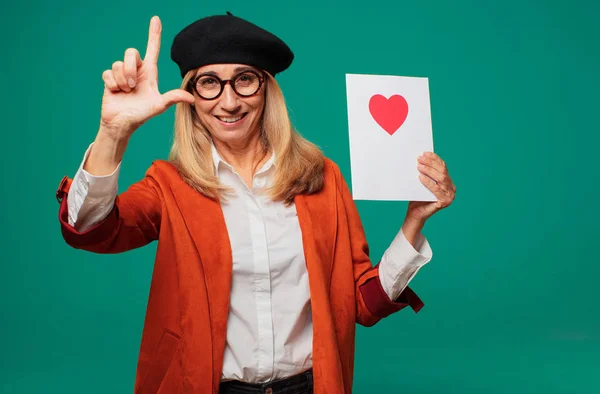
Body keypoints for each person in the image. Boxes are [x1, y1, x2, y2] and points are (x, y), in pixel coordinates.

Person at [55, 12, 456, 394]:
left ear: (266, 90)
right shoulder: (169, 184)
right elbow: (89, 230)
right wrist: (113, 133)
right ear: (190, 94)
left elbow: (361, 304)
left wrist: (414, 221)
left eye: (244, 80)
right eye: (209, 83)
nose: (228, 102)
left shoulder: (322, 178)